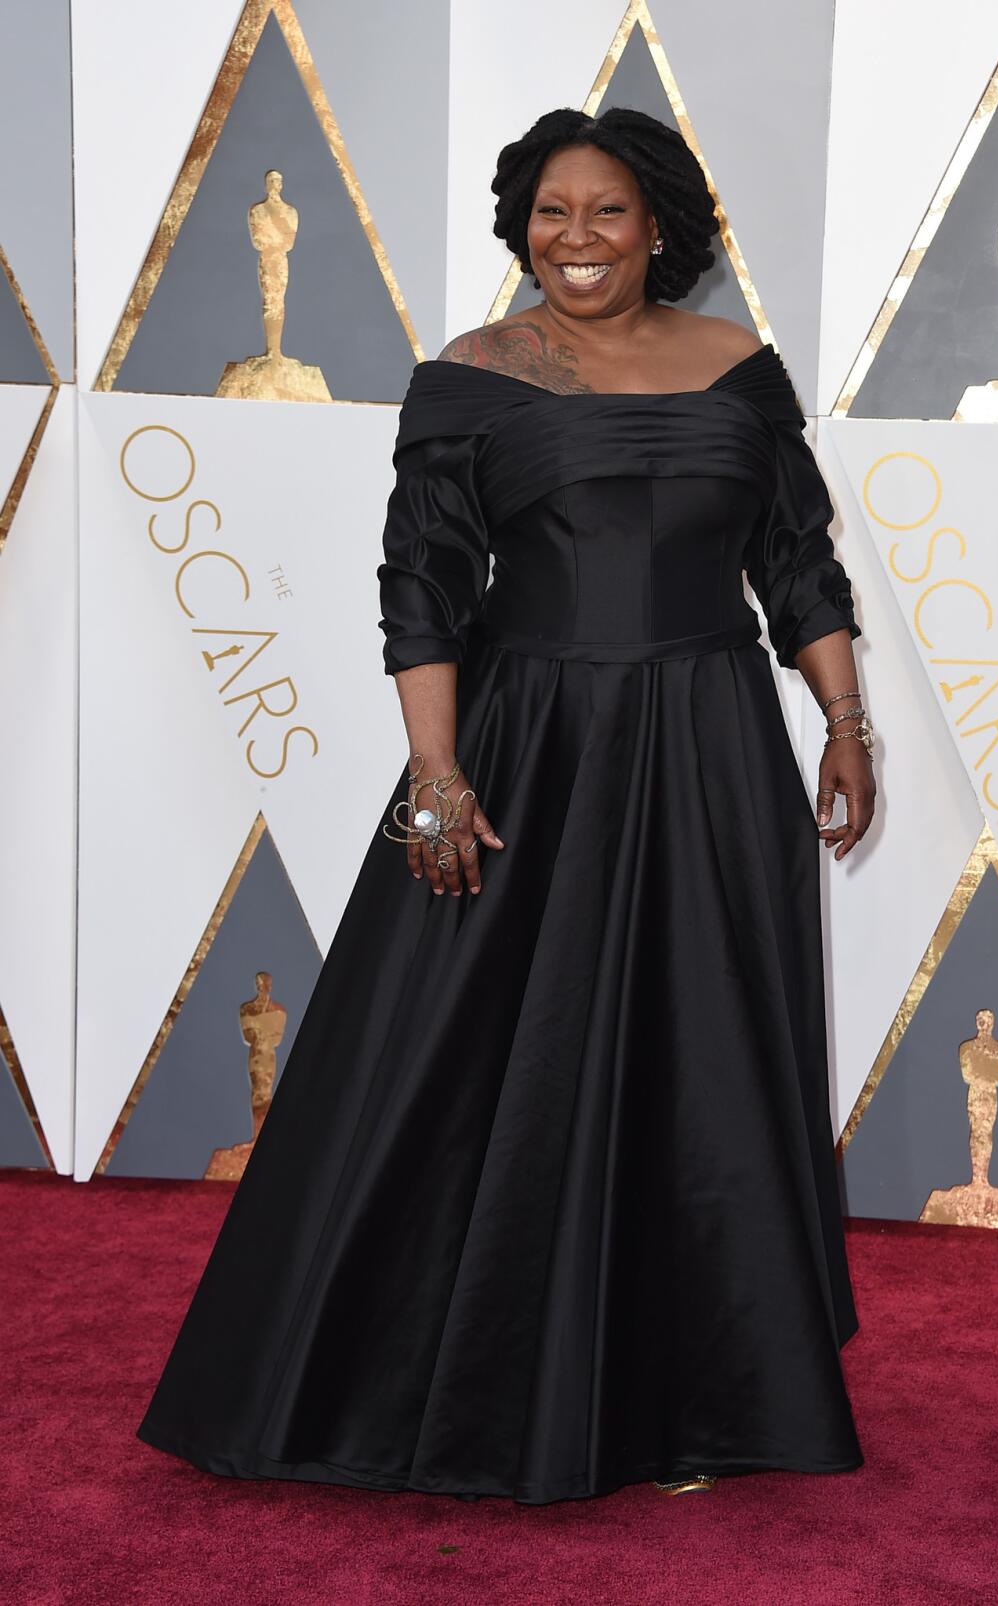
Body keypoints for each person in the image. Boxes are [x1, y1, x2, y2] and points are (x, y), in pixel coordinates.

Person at [136, 106, 876, 1506]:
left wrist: (844, 722)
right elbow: (421, 586)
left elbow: (795, 563)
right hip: (534, 746)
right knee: (467, 1063)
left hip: (716, 749)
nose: (576, 238)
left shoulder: (741, 370)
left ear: (662, 224)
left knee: (700, 1062)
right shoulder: (473, 376)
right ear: (519, 224)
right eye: (550, 211)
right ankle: (424, 1379)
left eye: (606, 212)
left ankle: (692, 1398)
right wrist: (437, 773)